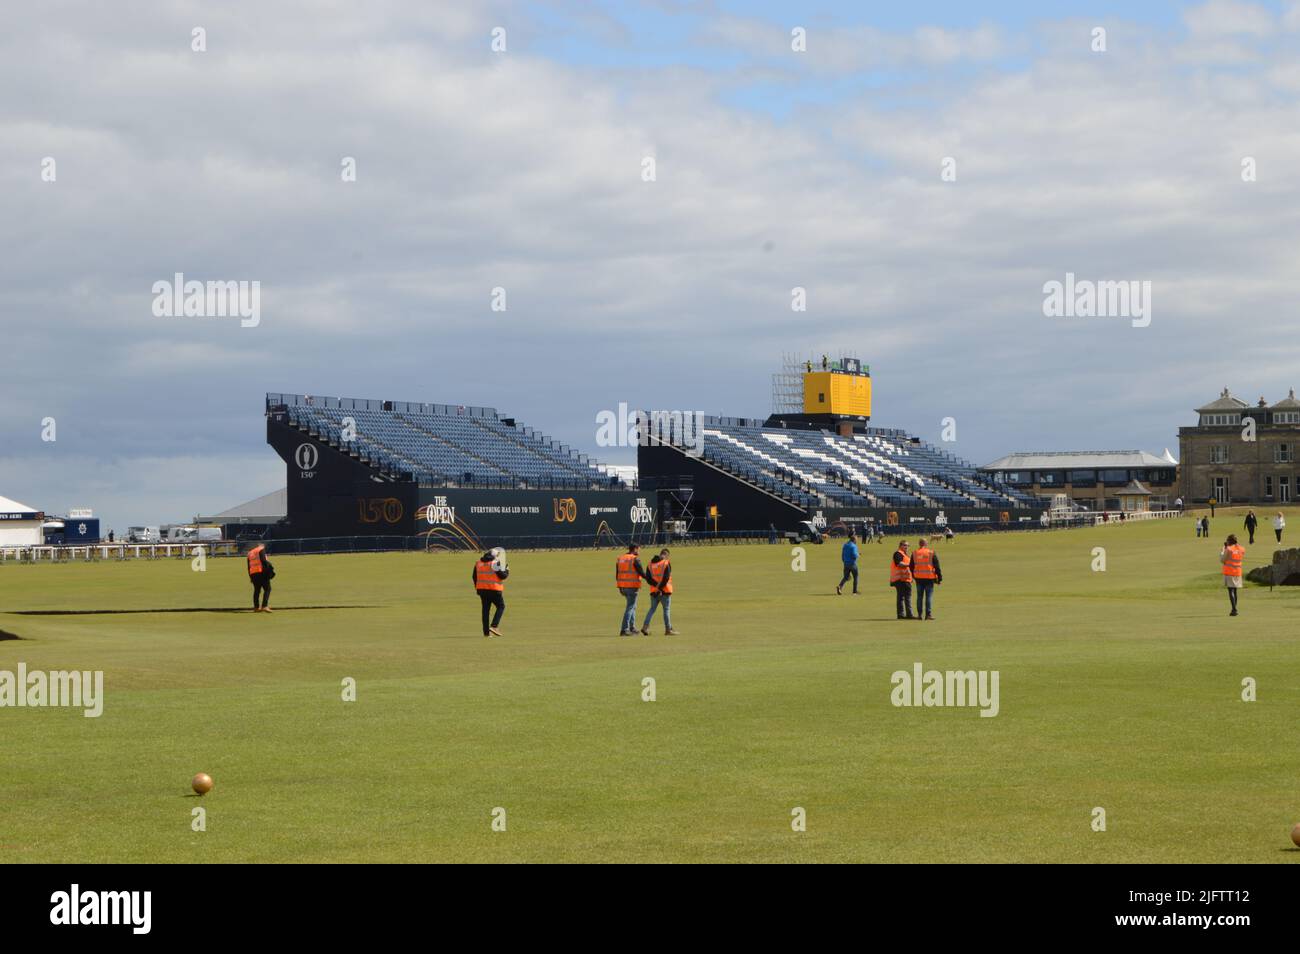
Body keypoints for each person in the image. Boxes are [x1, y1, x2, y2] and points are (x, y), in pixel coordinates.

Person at [641, 549, 678, 635]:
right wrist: (660, 588)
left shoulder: (650, 564)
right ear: (666, 555)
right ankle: (668, 629)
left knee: (652, 609)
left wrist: (656, 587)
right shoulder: (665, 563)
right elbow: (666, 578)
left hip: (654, 592)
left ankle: (645, 627)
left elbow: (648, 579)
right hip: (665, 591)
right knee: (666, 610)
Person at [473, 548, 508, 638]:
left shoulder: (478, 563)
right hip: (494, 589)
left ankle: (486, 633)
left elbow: (474, 577)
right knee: (501, 606)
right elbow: (503, 576)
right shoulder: (494, 563)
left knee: (485, 610)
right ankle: (494, 626)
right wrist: (507, 570)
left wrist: (477, 587)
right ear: (494, 556)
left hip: (482, 590)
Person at [616, 543, 650, 636]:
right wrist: (651, 580)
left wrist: (619, 587)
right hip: (632, 586)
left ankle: (632, 627)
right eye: (638, 549)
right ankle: (624, 629)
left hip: (623, 587)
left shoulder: (620, 558)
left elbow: (617, 574)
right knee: (630, 607)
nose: (639, 551)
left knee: (632, 607)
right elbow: (642, 573)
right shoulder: (634, 559)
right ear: (635, 549)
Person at [910, 537, 942, 620]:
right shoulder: (931, 553)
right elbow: (937, 566)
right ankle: (928, 615)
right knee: (928, 597)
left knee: (919, 597)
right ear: (926, 544)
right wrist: (939, 578)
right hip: (929, 578)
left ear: (919, 544)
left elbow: (911, 567)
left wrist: (914, 576)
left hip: (918, 578)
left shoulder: (914, 553)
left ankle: (919, 615)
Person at [1220, 533, 1244, 616]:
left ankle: (1234, 609)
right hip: (1238, 571)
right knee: (1235, 590)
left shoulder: (1229, 549)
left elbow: (1222, 560)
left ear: (1229, 541)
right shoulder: (1241, 549)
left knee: (1231, 590)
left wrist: (1223, 550)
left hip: (1230, 572)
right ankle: (1234, 608)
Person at [246, 542, 274, 613]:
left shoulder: (250, 553)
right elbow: (264, 561)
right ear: (261, 545)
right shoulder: (261, 549)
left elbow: (249, 567)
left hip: (253, 573)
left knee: (257, 590)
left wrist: (251, 577)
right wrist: (270, 569)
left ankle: (256, 607)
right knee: (268, 589)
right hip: (261, 572)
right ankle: (264, 606)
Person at [890, 540, 914, 619]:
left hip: (904, 578)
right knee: (907, 597)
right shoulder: (898, 553)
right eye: (905, 545)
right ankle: (909, 615)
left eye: (907, 545)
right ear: (900, 545)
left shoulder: (904, 554)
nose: (906, 547)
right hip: (901, 579)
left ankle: (901, 615)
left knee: (901, 597)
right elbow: (899, 563)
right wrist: (909, 565)